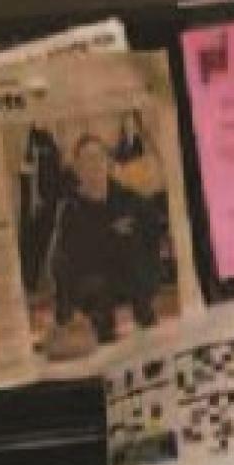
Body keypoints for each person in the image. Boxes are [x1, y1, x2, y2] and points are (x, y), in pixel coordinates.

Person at [50, 133, 167, 346]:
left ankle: (144, 323)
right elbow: (61, 265)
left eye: (98, 157)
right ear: (77, 169)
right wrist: (64, 317)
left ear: (108, 162)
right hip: (95, 297)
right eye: (87, 160)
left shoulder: (131, 201)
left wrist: (152, 280)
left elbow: (153, 239)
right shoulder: (70, 212)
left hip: (133, 292)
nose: (94, 165)